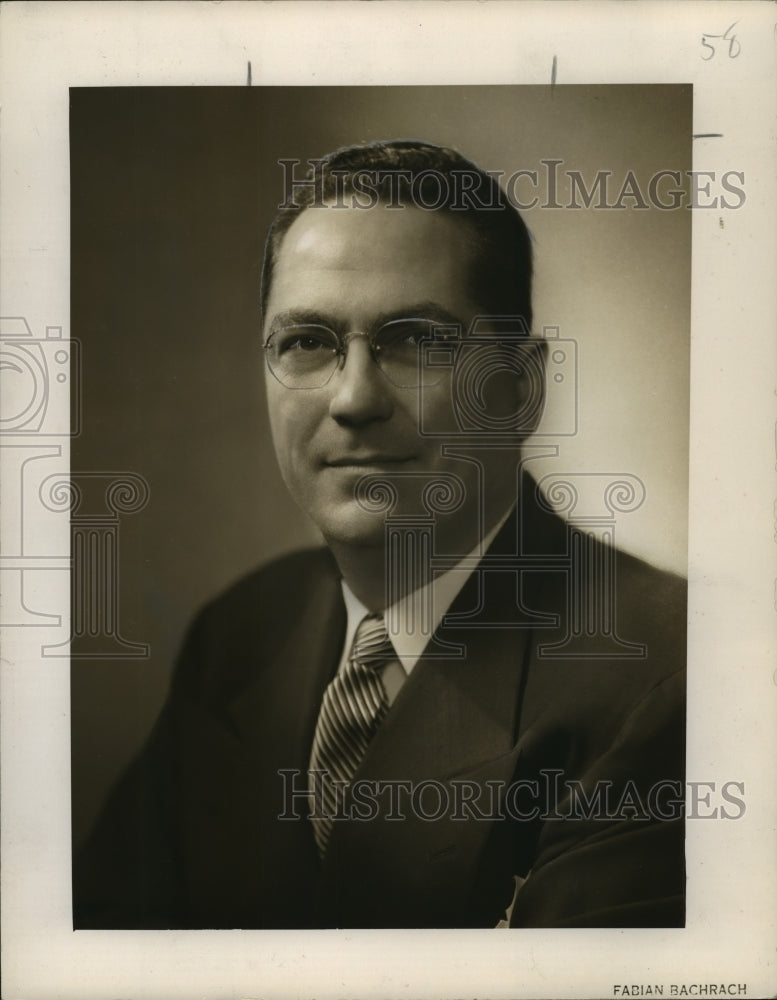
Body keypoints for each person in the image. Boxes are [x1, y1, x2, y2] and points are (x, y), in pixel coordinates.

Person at [74, 139, 686, 930]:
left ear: (521, 389)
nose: (353, 398)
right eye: (307, 343)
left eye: (416, 341)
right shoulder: (241, 635)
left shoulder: (665, 677)